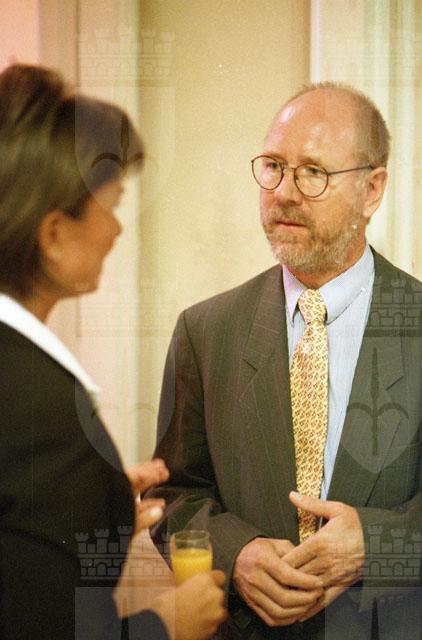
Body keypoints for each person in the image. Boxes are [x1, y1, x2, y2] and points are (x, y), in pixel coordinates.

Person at [149, 83, 421, 639]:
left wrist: (377, 546)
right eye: (273, 167)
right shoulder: (205, 331)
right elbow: (173, 497)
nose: (285, 193)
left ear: (371, 190)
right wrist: (237, 554)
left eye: (313, 173)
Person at [0, 63, 227, 640]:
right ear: (54, 234)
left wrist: (95, 499)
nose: (117, 231)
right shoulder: (45, 415)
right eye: (112, 205)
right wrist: (165, 625)